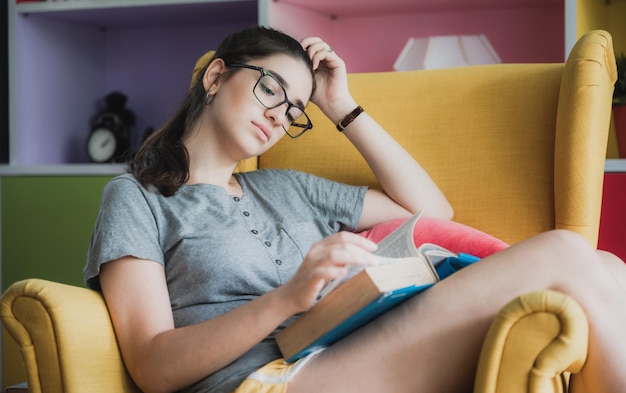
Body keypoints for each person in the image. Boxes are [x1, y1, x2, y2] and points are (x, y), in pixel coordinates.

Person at [84, 25, 626, 393]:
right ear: (216, 76)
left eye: (295, 110)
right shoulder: (136, 198)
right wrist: (287, 299)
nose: (279, 117)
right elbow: (151, 365)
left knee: (605, 267)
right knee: (565, 251)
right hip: (265, 381)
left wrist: (339, 106)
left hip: (343, 345)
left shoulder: (286, 187)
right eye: (271, 90)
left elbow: (432, 210)